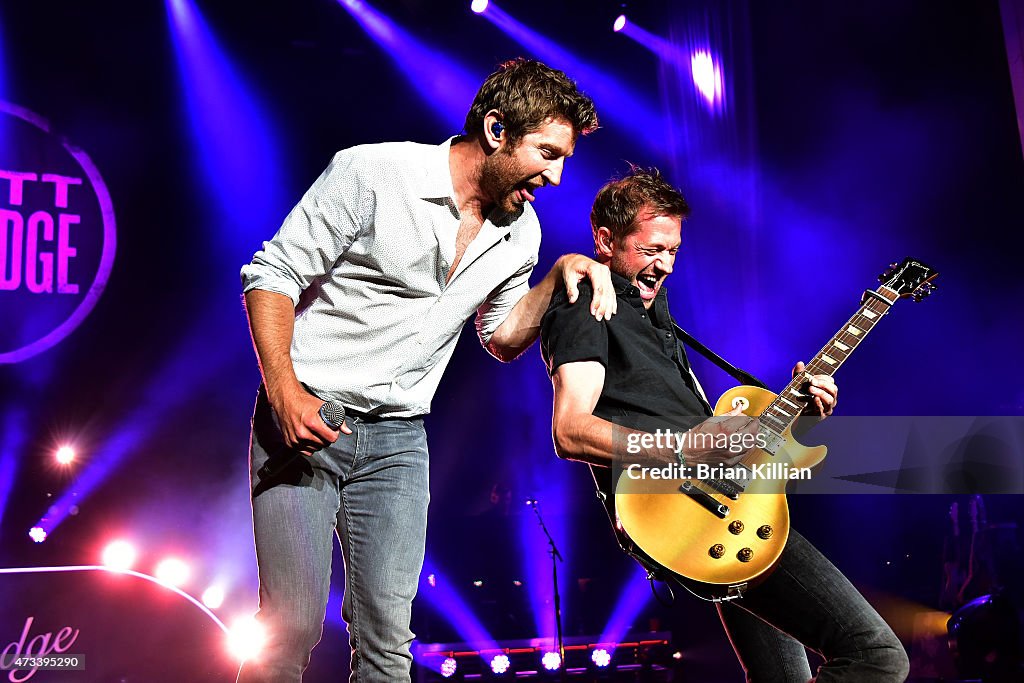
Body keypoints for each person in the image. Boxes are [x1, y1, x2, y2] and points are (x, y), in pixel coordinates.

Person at [238, 58, 607, 682]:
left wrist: (555, 278)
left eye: (564, 158)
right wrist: (285, 394)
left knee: (388, 642)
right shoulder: (373, 173)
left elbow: (499, 338)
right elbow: (272, 276)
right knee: (290, 628)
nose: (556, 175)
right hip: (306, 418)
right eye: (547, 153)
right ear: (496, 130)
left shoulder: (522, 233)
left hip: (398, 441)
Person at [539, 168, 910, 681]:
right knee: (878, 655)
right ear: (605, 240)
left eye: (673, 250)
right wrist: (684, 450)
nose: (665, 265)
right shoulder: (587, 307)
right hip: (680, 509)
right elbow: (570, 430)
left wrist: (799, 410)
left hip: (727, 507)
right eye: (651, 250)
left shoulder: (656, 313)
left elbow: (707, 435)